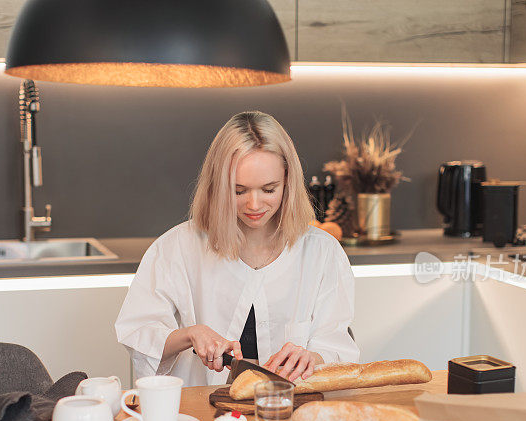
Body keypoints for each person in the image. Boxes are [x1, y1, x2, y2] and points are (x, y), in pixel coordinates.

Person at [115, 111, 359, 387]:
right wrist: (190, 335)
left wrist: (312, 357)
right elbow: (137, 335)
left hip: (289, 409)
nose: (254, 205)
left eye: (269, 189)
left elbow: (340, 348)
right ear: (216, 186)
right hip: (200, 415)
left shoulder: (322, 253)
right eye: (239, 191)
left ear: (288, 183)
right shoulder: (176, 249)